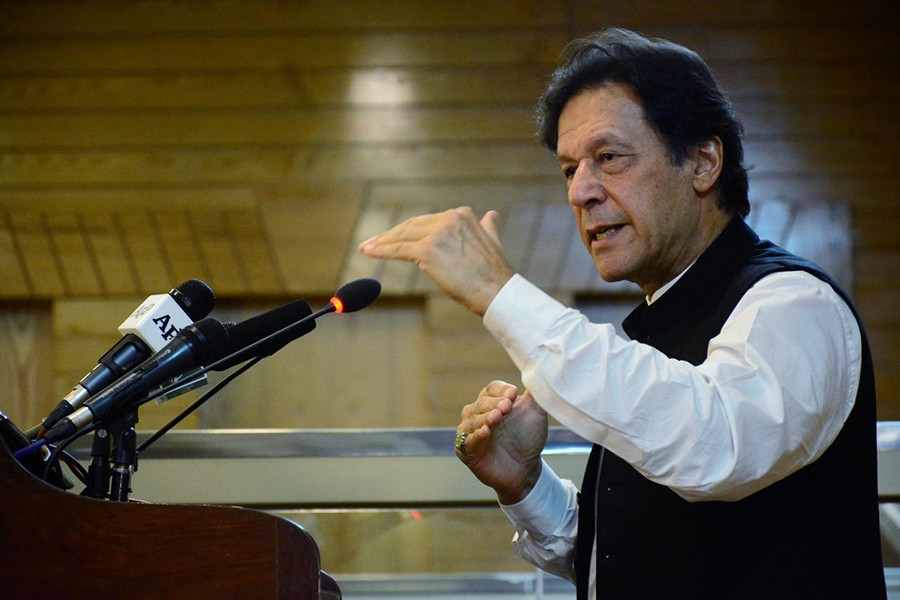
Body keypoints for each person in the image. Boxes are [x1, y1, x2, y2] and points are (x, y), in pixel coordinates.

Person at [358, 28, 886, 598]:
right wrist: (525, 485)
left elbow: (715, 448)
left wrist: (498, 290)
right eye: (568, 169)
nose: (579, 192)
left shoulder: (794, 303)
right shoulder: (661, 321)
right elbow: (631, 556)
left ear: (704, 163)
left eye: (608, 158)